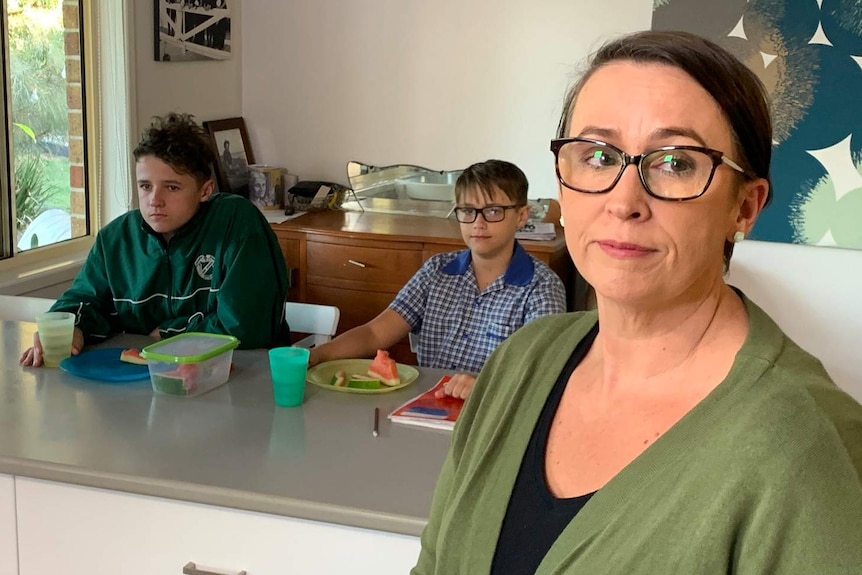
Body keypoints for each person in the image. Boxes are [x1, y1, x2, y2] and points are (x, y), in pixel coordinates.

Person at [413, 31, 862, 574]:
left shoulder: (810, 450)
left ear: (744, 207)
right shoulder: (519, 363)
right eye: (598, 156)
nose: (624, 201)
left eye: (677, 163)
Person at [20, 113, 290, 367]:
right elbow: (84, 299)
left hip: (242, 384)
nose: (154, 201)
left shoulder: (238, 223)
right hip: (142, 388)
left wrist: (170, 331)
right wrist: (74, 328)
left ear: (205, 190)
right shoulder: (115, 239)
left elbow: (247, 328)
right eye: (145, 186)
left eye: (172, 187)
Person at [309, 159, 567, 398]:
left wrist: (485, 387)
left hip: (494, 413)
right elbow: (375, 333)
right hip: (429, 405)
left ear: (521, 216)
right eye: (468, 211)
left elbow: (543, 372)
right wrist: (317, 355)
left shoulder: (541, 287)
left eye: (493, 211)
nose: (478, 223)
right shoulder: (437, 271)